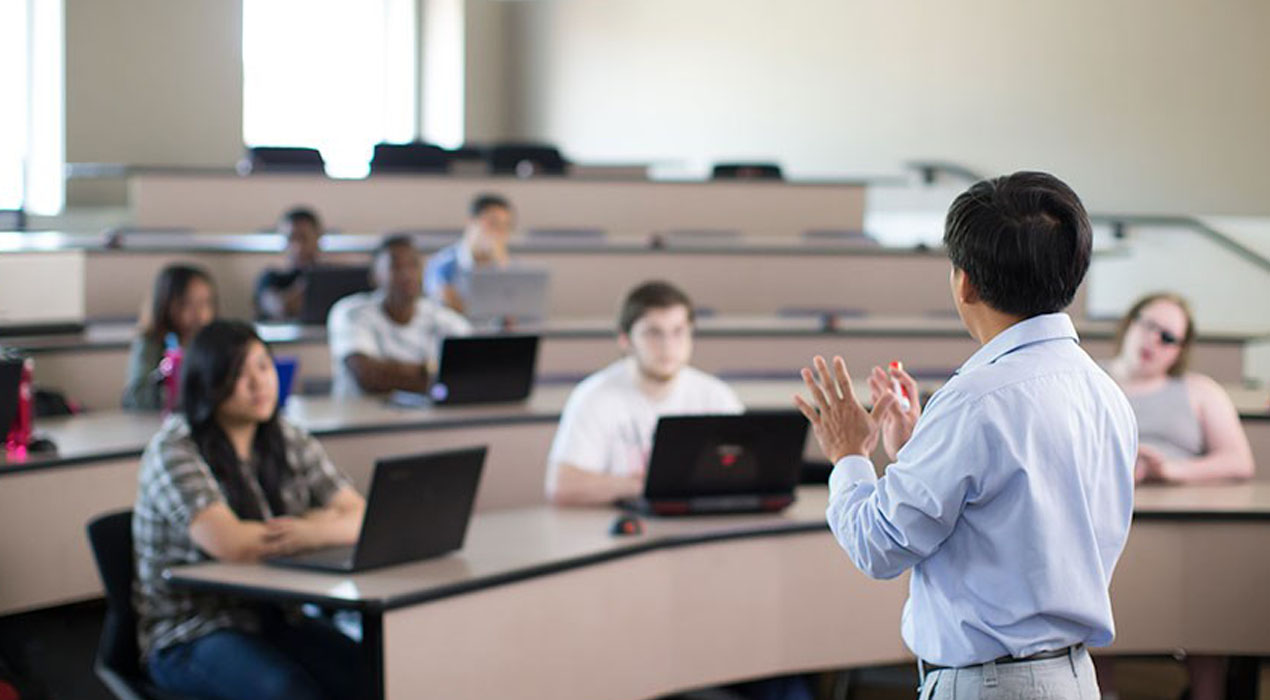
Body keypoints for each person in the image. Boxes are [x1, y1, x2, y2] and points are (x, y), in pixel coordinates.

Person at [794, 172, 1136, 699]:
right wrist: (917, 449)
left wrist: (848, 455)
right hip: (1070, 679)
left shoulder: (976, 400)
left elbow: (878, 546)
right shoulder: (1105, 392)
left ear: (965, 282)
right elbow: (1016, 516)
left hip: (992, 685)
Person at [133, 320, 367, 700]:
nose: (258, 383)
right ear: (207, 382)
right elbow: (234, 545)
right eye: (238, 373)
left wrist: (308, 531)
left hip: (274, 616)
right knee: (287, 692)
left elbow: (358, 514)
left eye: (262, 366)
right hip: (192, 631)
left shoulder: (284, 434)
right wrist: (321, 523)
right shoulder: (175, 448)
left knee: (369, 672)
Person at [1099, 292, 1253, 700]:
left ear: (1181, 350)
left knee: (1205, 598)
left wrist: (1172, 471)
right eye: (1148, 325)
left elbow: (1239, 461)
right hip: (1107, 521)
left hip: (1185, 526)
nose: (1153, 341)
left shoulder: (1199, 390)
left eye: (1169, 337)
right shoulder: (1090, 380)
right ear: (1129, 323)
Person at [545, 280, 743, 506]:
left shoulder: (716, 395)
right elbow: (562, 487)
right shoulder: (594, 396)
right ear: (625, 340)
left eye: (678, 332)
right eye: (653, 333)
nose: (668, 346)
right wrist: (649, 485)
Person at [327, 235, 472, 398]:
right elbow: (368, 377)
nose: (407, 274)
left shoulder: (443, 317)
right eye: (395, 267)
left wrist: (397, 372)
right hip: (360, 417)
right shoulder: (350, 312)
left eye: (413, 265)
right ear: (375, 276)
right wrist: (429, 372)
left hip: (425, 418)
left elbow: (470, 370)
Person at [122, 264, 217, 411]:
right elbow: (137, 397)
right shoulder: (151, 343)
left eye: (205, 303)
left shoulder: (212, 342)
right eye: (187, 304)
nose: (200, 313)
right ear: (165, 305)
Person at [424, 193, 514, 313]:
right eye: (493, 223)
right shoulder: (443, 264)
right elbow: (445, 307)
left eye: (505, 226)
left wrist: (502, 269)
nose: (499, 232)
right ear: (471, 222)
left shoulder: (507, 264)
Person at [255, 207, 324, 322]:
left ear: (317, 238)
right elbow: (279, 308)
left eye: (303, 238)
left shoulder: (333, 277)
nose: (297, 247)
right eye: (291, 239)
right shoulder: (270, 278)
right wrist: (310, 281)